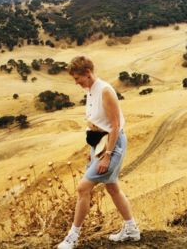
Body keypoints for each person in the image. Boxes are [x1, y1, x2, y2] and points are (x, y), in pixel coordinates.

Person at [57, 56, 140, 249]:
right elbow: (96, 123)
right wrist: (93, 151)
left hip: (112, 144)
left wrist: (108, 155)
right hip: (100, 144)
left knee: (83, 188)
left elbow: (115, 125)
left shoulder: (105, 90)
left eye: (77, 78)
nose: (76, 82)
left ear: (87, 73)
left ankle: (72, 237)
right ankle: (131, 229)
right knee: (112, 188)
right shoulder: (90, 90)